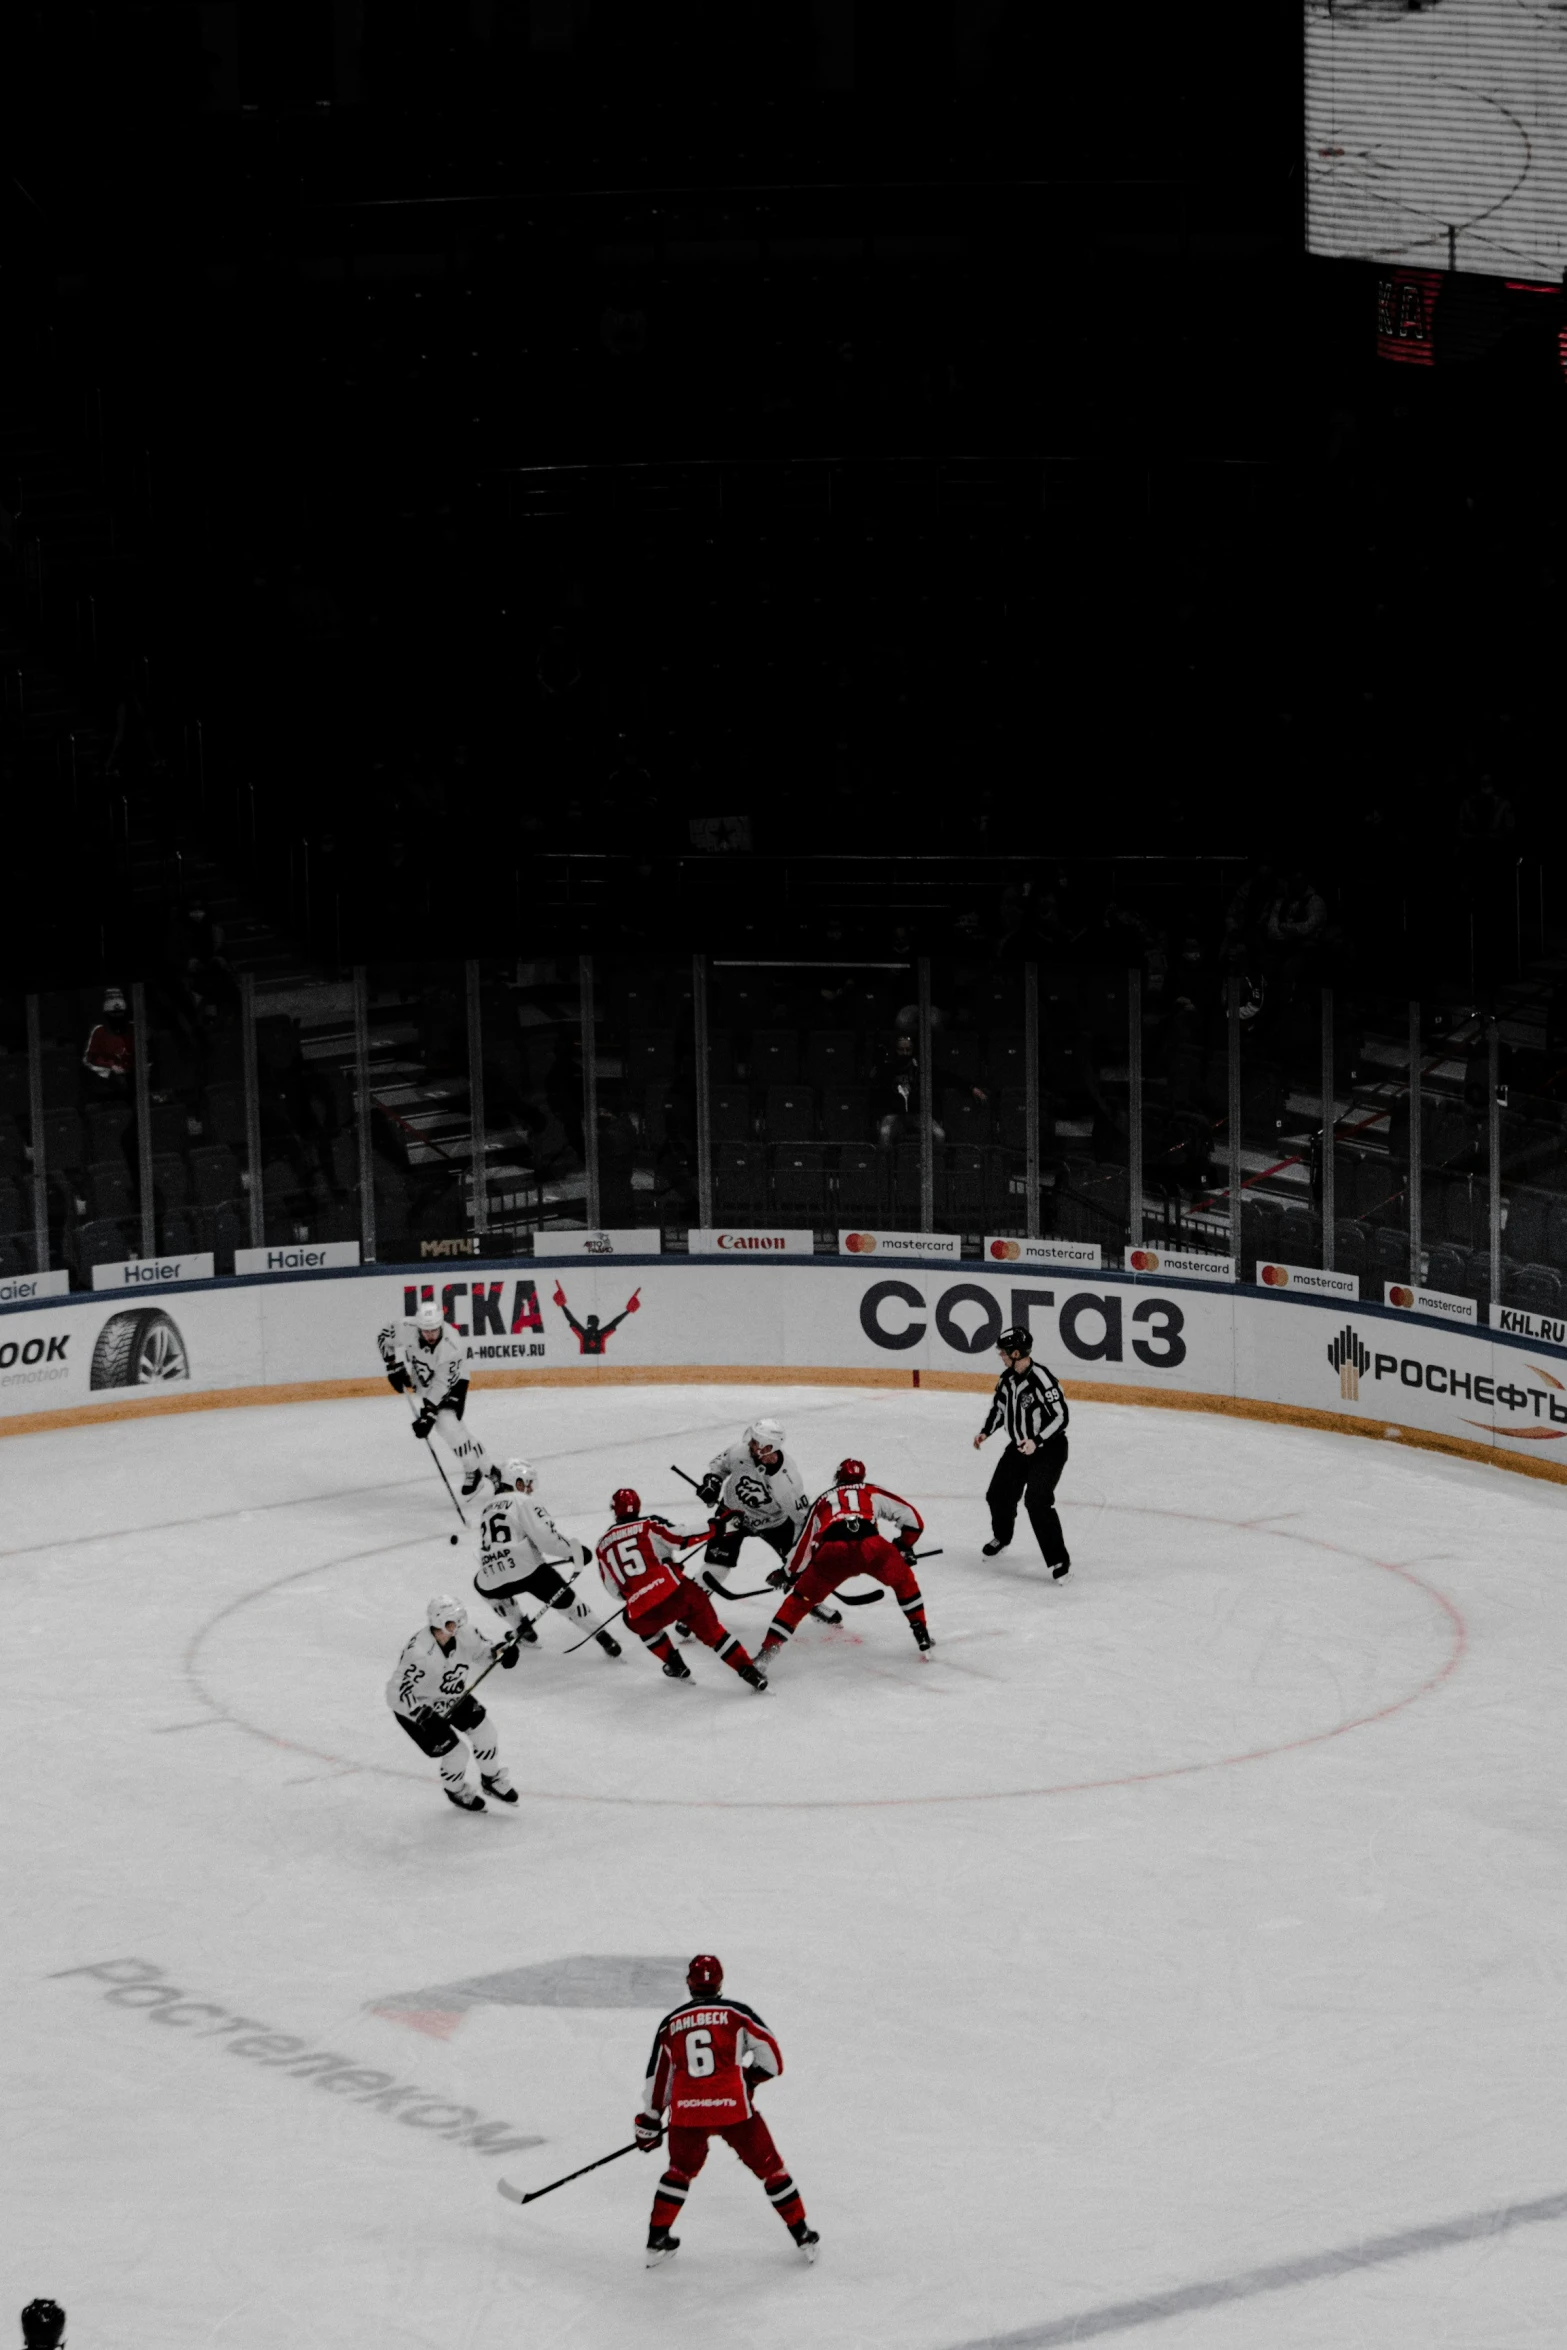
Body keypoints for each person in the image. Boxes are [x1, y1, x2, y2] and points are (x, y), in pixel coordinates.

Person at [636, 1953, 818, 2268]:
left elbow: (659, 2078)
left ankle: (656, 2239)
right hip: (735, 2110)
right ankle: (802, 2234)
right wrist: (748, 2078)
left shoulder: (671, 2024)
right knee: (771, 2168)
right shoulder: (737, 2014)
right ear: (720, 1982)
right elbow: (772, 2061)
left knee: (679, 2171)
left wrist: (650, 2119)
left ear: (688, 1984)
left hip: (687, 2115)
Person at [595, 1491, 768, 1691]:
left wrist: (637, 1592)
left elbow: (613, 1590)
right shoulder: (649, 1525)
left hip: (643, 1612)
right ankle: (749, 1671)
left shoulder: (602, 1545)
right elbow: (680, 1537)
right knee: (715, 1634)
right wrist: (720, 1526)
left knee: (634, 1619)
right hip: (678, 1594)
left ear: (614, 1511)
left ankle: (675, 1664)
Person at [759, 1460, 931, 1660]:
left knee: (798, 1602)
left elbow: (804, 1545)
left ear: (838, 1477)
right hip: (872, 1546)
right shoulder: (871, 1490)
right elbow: (914, 1522)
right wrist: (902, 1545)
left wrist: (788, 1575)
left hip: (833, 1552)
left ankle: (766, 1653)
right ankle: (921, 1632)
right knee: (904, 1582)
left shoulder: (822, 1500)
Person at [475, 1459, 622, 1658]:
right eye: (527, 1484)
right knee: (568, 1601)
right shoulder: (522, 1501)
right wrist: (573, 1551)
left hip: (492, 1575)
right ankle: (603, 1637)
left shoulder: (487, 1507)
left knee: (481, 1585)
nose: (530, 1489)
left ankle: (522, 1627)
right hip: (529, 1571)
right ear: (517, 1482)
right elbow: (546, 1539)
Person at [385, 1596, 519, 1813]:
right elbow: (396, 1692)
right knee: (457, 1753)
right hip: (418, 1709)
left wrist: (501, 1652)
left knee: (486, 1733)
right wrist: (420, 1715)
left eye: (459, 1620)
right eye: (451, 1623)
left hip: (449, 1695)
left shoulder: (464, 1633)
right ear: (438, 1623)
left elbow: (484, 1653)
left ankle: (491, 1779)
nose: (457, 1627)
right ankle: (456, 1790)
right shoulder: (419, 1653)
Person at [696, 1419, 834, 1616]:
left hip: (774, 1522)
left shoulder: (787, 1482)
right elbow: (721, 1464)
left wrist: (797, 1556)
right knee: (717, 1565)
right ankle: (691, 1610)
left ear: (768, 1447)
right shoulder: (741, 1452)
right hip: (732, 1513)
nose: (750, 1443)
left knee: (801, 1565)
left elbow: (802, 1520)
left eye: (756, 1442)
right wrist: (713, 1481)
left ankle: (811, 1601)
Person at [973, 1324, 1070, 1577]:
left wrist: (1036, 1441)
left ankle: (1059, 1561)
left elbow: (1061, 1417)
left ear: (1016, 1353)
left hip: (1048, 1449)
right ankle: (1002, 1538)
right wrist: (986, 1431)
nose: (1001, 1356)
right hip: (1018, 1448)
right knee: (997, 1495)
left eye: (1004, 1352)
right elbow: (999, 1409)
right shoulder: (1006, 1379)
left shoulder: (1042, 1379)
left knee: (1037, 1502)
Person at [377, 1300, 500, 1499]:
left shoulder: (452, 1345)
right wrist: (392, 1366)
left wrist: (429, 1414)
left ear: (441, 1324)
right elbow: (384, 1335)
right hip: (425, 1381)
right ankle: (491, 1471)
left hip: (454, 1381)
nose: (431, 1335)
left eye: (434, 1330)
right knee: (458, 1431)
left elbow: (442, 1385)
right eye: (426, 1331)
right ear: (419, 1327)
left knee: (446, 1424)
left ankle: (473, 1469)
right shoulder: (406, 1328)